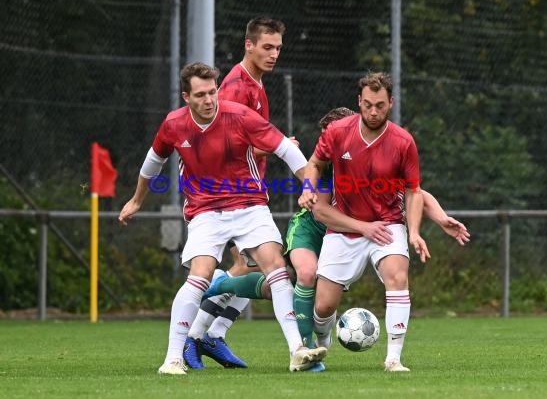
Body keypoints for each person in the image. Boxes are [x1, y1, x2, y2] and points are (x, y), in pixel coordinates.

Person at [203, 107, 470, 371]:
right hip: (316, 228)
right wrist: (361, 224)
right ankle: (304, 350)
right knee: (303, 275)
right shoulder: (324, 165)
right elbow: (320, 212)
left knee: (286, 290)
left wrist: (441, 218)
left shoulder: (375, 153)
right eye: (327, 135)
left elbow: (416, 191)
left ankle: (228, 284)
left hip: (347, 231)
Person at [118, 62, 326, 375]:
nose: (209, 100)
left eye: (212, 92)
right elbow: (152, 163)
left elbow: (286, 149)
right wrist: (136, 200)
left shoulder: (239, 116)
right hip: (205, 211)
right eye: (200, 94)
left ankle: (297, 350)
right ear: (186, 96)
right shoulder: (174, 124)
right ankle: (173, 359)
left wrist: (308, 187)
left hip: (249, 205)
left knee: (277, 268)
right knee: (200, 275)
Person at [167, 16, 288, 370]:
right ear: (248, 45)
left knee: (250, 268)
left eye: (278, 47)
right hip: (226, 198)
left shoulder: (255, 83)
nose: (274, 54)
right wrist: (281, 146)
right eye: (267, 47)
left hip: (248, 194)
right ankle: (197, 335)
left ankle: (210, 334)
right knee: (245, 269)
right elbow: (222, 148)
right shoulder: (235, 87)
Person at [299, 71, 428, 372]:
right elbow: (315, 163)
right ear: (359, 101)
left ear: (391, 103)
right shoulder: (337, 131)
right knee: (323, 306)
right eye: (367, 104)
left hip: (387, 225)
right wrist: (307, 188)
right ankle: (322, 341)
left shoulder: (403, 141)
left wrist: (415, 231)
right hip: (344, 228)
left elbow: (414, 190)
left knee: (398, 275)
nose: (373, 111)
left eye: (380, 105)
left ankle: (393, 358)